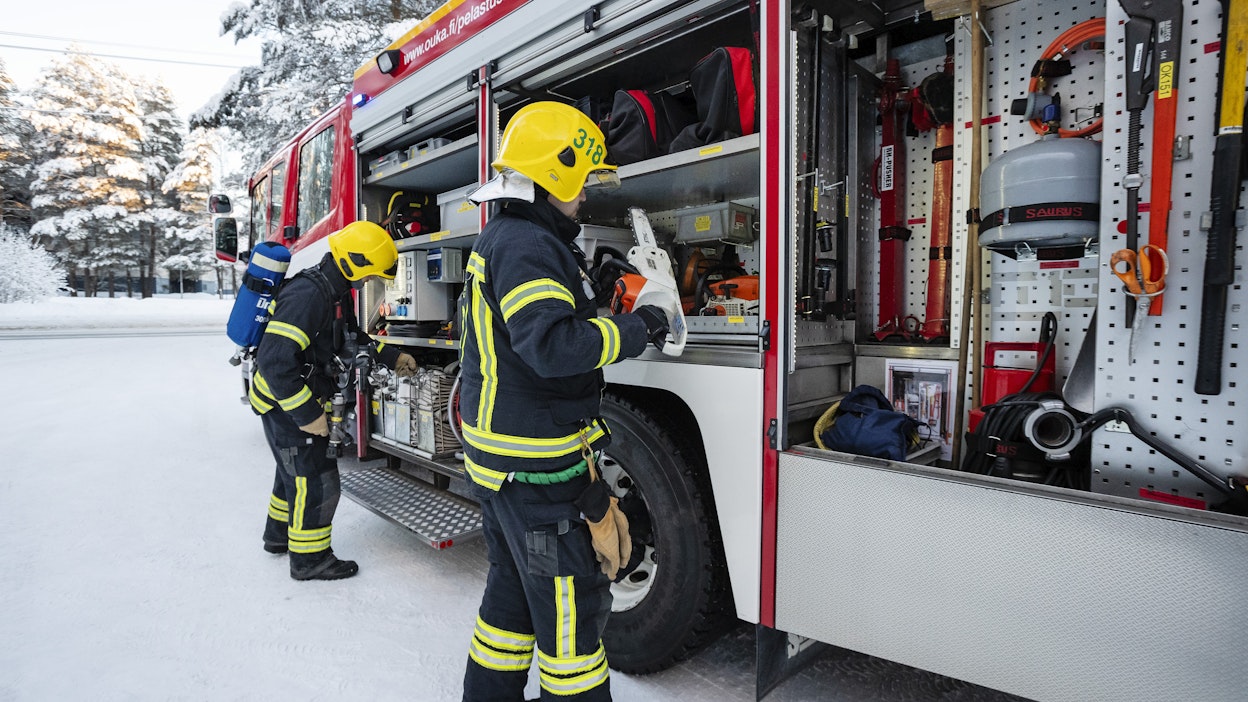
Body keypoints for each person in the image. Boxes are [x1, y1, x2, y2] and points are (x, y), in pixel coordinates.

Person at [458, 101, 672, 702]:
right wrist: (641, 327)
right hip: (535, 466)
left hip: (503, 462)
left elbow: (530, 331)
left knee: (511, 596)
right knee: (572, 610)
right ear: (557, 174)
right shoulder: (527, 244)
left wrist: (589, 298)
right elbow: (550, 347)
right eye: (583, 182)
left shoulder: (511, 236)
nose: (585, 196)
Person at [250, 221, 418, 581]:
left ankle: (278, 537)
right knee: (318, 481)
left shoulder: (334, 290)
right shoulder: (309, 296)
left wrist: (390, 356)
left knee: (292, 473)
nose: (369, 283)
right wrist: (308, 414)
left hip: (285, 400)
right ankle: (310, 560)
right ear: (357, 263)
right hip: (285, 403)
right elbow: (275, 359)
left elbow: (350, 337)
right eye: (370, 275)